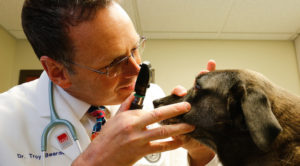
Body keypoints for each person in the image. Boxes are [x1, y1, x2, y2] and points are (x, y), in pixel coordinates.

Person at [0, 0, 220, 165]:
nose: (137, 69)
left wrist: (201, 152)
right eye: (114, 63)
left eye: (135, 48)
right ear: (58, 72)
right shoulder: (5, 121)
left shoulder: (153, 96)